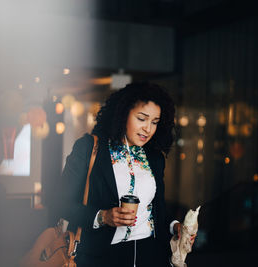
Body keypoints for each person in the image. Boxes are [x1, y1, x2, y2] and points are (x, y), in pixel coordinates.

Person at [53, 82, 194, 267]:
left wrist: (174, 226)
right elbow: (60, 203)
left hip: (149, 253)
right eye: (141, 118)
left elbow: (156, 208)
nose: (148, 129)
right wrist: (102, 216)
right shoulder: (89, 148)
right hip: (101, 256)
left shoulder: (154, 157)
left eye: (154, 122)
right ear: (123, 114)